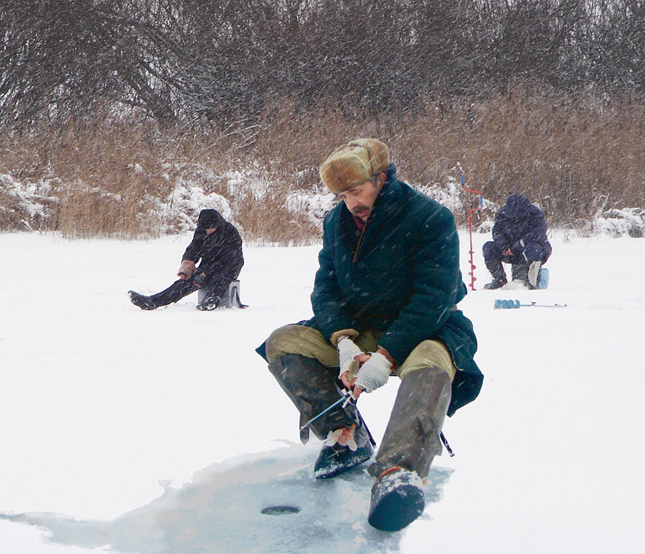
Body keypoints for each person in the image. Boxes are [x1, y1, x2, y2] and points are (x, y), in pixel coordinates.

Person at [262, 138, 483, 532]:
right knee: (283, 343)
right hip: (359, 328)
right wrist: (343, 340)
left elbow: (435, 296)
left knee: (431, 365)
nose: (350, 202)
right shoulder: (335, 223)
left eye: (357, 191)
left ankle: (398, 470)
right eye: (342, 194)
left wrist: (387, 354)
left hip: (423, 327)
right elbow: (325, 289)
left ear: (382, 179)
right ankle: (344, 436)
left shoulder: (429, 217)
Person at [129, 208, 243, 311]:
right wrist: (186, 268)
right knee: (185, 283)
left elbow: (228, 259)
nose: (208, 231)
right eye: (206, 229)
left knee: (220, 279)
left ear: (217, 225)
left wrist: (205, 273)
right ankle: (152, 302)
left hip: (230, 265)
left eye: (211, 229)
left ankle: (212, 300)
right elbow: (194, 249)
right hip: (209, 264)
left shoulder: (230, 232)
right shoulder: (201, 231)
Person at [482, 193, 552, 290]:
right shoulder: (502, 215)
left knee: (533, 248)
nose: (515, 217)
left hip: (534, 251)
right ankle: (499, 280)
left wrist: (519, 245)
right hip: (510, 251)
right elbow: (497, 232)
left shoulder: (536, 215)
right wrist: (504, 246)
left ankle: (532, 282)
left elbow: (537, 235)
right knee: (489, 247)